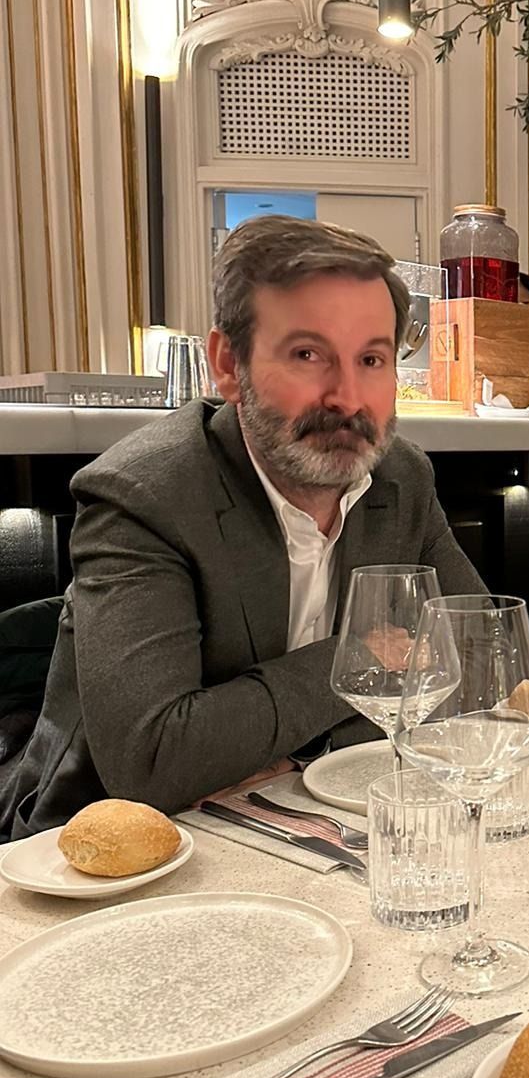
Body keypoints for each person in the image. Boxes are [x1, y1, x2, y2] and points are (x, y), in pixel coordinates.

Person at [0, 217, 485, 841]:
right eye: (308, 354)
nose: (347, 397)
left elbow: (476, 663)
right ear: (229, 364)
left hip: (317, 810)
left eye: (372, 359)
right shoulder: (145, 495)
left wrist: (283, 749)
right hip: (123, 852)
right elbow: (151, 764)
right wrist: (359, 658)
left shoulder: (401, 478)